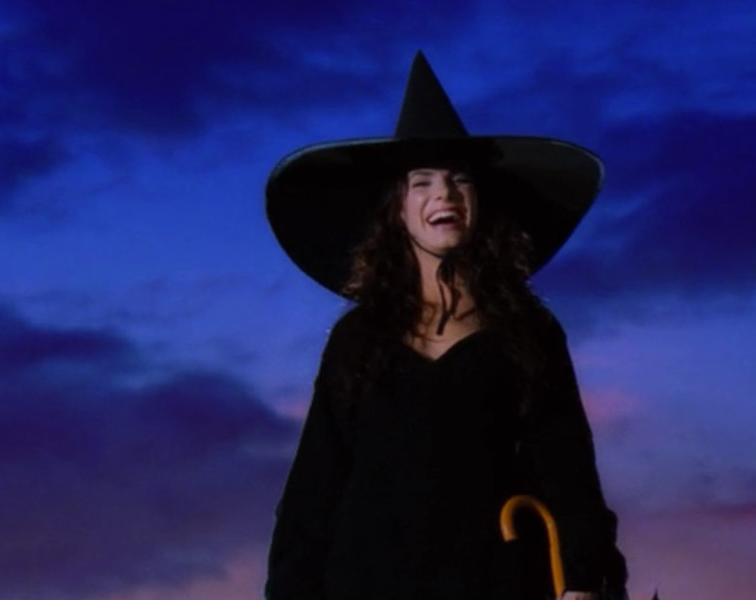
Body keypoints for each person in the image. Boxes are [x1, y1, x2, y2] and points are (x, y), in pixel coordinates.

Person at [262, 53, 627, 600]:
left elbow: (567, 464)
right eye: (422, 182)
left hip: (496, 582)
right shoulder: (357, 339)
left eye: (460, 180)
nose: (444, 195)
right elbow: (315, 483)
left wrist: (582, 580)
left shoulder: (527, 330)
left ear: (480, 203)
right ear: (399, 210)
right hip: (364, 584)